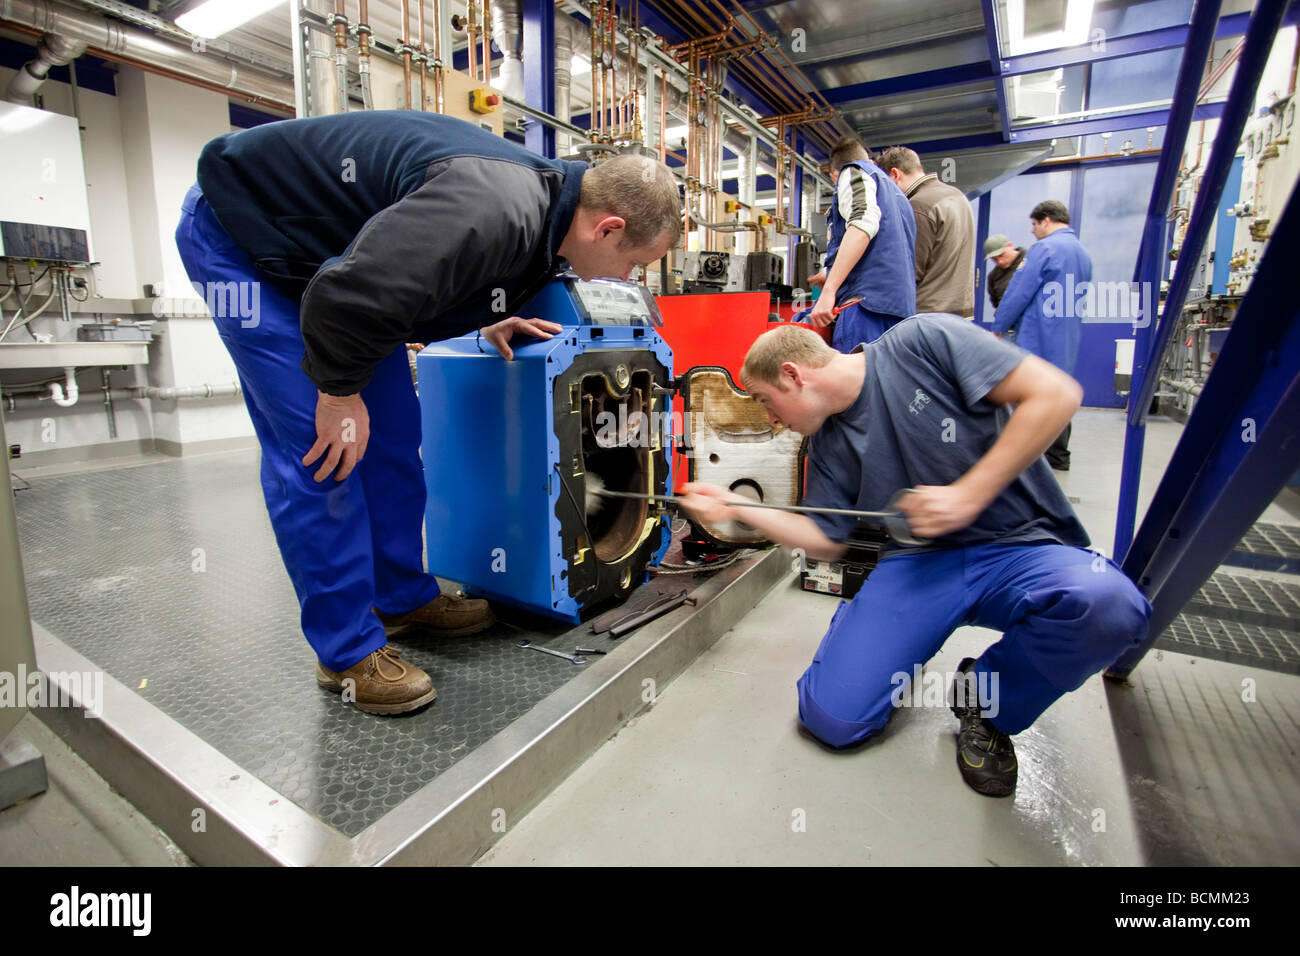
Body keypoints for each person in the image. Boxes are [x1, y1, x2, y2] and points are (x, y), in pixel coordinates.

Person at [176, 110, 681, 715]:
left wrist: (482, 311)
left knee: (391, 437)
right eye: (637, 263)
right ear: (607, 227)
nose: (631, 278)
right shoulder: (493, 204)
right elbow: (350, 297)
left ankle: (399, 598)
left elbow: (420, 272)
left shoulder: (546, 211)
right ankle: (344, 650)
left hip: (339, 268)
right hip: (246, 236)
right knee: (324, 451)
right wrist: (337, 396)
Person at [677, 320, 1150, 797]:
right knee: (832, 719)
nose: (770, 417)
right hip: (919, 563)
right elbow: (823, 540)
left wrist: (969, 494)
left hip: (1018, 545)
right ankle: (895, 647)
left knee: (1109, 606)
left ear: (793, 375)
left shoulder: (924, 342)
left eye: (763, 399)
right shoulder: (827, 445)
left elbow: (1057, 394)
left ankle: (987, 701)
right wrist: (739, 506)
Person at [990, 201, 1092, 471]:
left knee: (1028, 392)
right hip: (1067, 335)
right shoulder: (1082, 253)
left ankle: (1025, 457)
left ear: (1045, 220)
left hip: (1038, 333)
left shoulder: (1044, 249)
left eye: (1034, 225)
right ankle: (1058, 457)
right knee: (1058, 390)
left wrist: (999, 326)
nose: (1033, 232)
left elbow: (1018, 293)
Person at [807, 137, 916, 350]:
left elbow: (862, 223)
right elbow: (885, 250)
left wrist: (829, 290)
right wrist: (833, 273)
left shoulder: (853, 171)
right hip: (900, 310)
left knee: (855, 380)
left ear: (834, 175)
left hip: (864, 308)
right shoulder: (898, 196)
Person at [876, 146, 976, 318]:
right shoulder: (957, 195)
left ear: (895, 174)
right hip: (962, 313)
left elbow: (910, 271)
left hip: (930, 316)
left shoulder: (918, 206)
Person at [982, 234, 1026, 310]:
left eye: (1001, 255)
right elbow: (996, 303)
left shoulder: (1032, 260)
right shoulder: (993, 276)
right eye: (994, 259)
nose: (1000, 262)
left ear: (1010, 245)